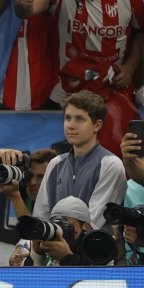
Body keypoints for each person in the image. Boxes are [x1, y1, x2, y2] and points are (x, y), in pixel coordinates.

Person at [13, 0, 144, 149]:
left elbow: (142, 31)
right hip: (65, 93)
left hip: (110, 90)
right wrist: (24, 4)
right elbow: (32, 7)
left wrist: (130, 67)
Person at [29, 91, 127, 230]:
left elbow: (92, 224)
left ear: (97, 125)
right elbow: (40, 217)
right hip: (54, 248)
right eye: (67, 118)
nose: (70, 125)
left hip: (93, 249)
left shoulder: (111, 164)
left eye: (79, 119)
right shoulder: (55, 164)